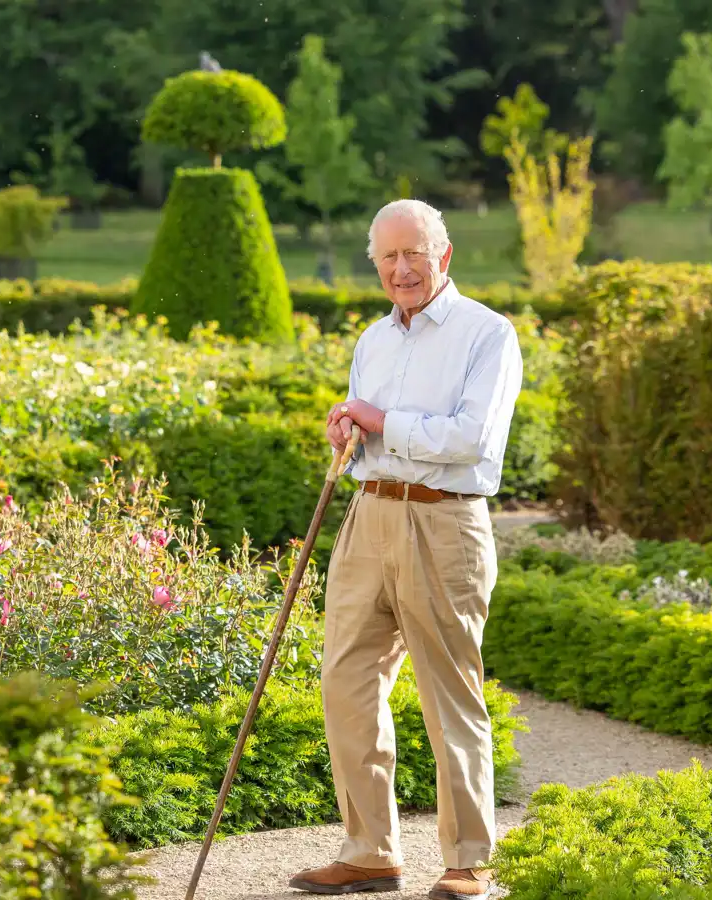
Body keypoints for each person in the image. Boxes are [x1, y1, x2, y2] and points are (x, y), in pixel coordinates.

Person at [288, 199, 523, 899]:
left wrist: (382, 420)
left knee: (449, 691)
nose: (401, 269)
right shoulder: (373, 340)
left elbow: (473, 439)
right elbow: (370, 436)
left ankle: (468, 860)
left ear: (443, 255)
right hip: (369, 516)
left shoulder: (487, 333)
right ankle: (369, 852)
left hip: (444, 524)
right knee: (345, 682)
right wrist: (349, 433)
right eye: (388, 257)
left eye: (414, 253)